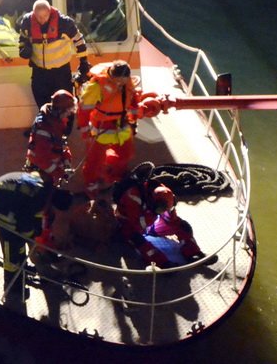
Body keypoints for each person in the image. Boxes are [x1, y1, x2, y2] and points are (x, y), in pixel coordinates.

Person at [0, 170, 73, 302]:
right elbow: (24, 223)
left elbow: (32, 212)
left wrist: (36, 231)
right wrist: (32, 235)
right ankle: (13, 287)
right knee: (13, 246)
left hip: (4, 191)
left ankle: (21, 269)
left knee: (22, 239)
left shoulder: (46, 186)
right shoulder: (39, 200)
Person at [77, 60, 162, 197]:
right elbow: (84, 109)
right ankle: (91, 184)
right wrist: (85, 130)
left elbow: (133, 101)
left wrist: (133, 121)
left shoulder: (128, 83)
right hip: (101, 127)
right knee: (94, 161)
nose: (120, 84)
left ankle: (114, 173)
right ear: (111, 76)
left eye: (123, 81)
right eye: (118, 81)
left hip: (122, 124)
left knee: (126, 153)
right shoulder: (96, 86)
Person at [113, 164, 207, 267]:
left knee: (184, 227)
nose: (163, 211)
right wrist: (152, 215)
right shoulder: (132, 197)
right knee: (138, 240)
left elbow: (172, 220)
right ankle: (161, 263)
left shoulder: (165, 194)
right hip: (129, 226)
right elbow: (136, 224)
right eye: (161, 209)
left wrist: (171, 217)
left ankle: (193, 253)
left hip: (151, 224)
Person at [16, 0, 89, 108]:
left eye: (45, 16)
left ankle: (66, 125)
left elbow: (79, 42)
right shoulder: (27, 22)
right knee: (43, 107)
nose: (41, 20)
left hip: (61, 73)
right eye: (38, 17)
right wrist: (23, 49)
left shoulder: (65, 23)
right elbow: (23, 39)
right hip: (39, 73)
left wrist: (84, 63)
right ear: (33, 13)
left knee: (65, 107)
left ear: (50, 12)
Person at [24, 89, 76, 186]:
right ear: (60, 111)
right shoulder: (43, 129)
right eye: (68, 111)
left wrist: (66, 160)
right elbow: (42, 159)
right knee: (46, 194)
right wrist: (60, 173)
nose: (70, 114)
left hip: (49, 163)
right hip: (40, 169)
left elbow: (61, 144)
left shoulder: (57, 122)